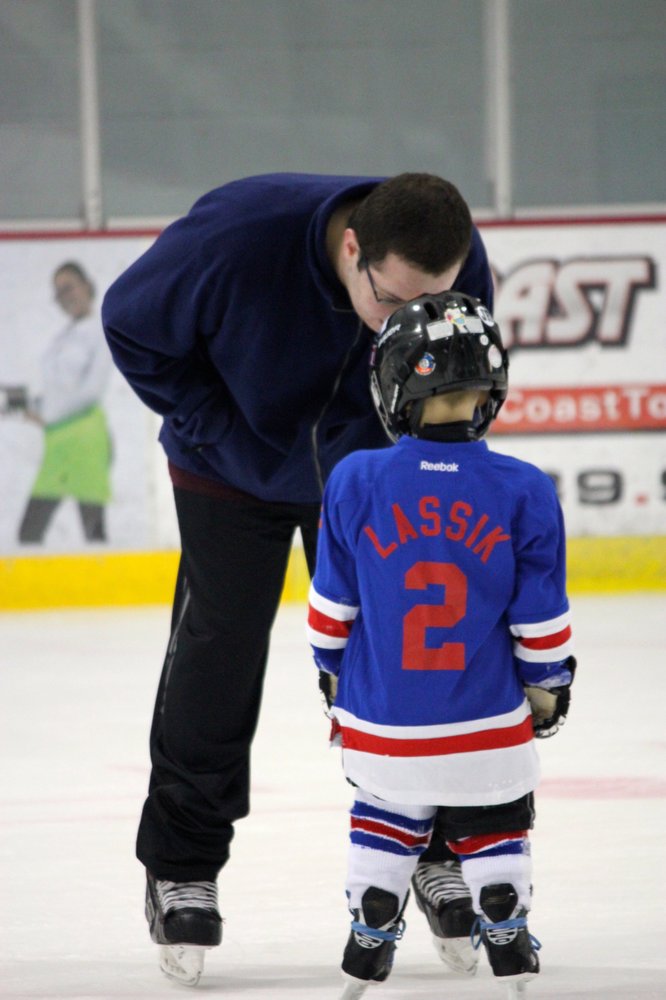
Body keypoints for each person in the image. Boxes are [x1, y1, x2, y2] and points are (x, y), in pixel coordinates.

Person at [100, 172, 494, 986]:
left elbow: (454, 376)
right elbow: (129, 323)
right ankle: (181, 865)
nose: (406, 324)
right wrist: (215, 432)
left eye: (428, 304)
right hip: (225, 469)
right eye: (390, 302)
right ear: (353, 250)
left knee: (405, 658)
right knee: (220, 645)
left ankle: (434, 846)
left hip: (364, 476)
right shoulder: (236, 239)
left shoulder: (447, 260)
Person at [307, 290, 576, 999]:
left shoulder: (355, 478)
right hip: (486, 729)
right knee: (495, 810)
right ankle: (504, 915)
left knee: (384, 810)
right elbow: (541, 623)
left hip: (381, 731)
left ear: (395, 381)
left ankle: (373, 919)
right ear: (491, 383)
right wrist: (548, 690)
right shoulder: (524, 488)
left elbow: (331, 610)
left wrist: (331, 674)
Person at [18, 261, 113, 544]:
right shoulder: (66, 335)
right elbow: (58, 389)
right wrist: (32, 405)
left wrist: (46, 413)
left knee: (92, 530)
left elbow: (91, 390)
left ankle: (104, 585)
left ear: (86, 285)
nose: (64, 295)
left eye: (68, 286)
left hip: (84, 438)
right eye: (58, 291)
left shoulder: (98, 331)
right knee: (30, 531)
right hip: (60, 439)